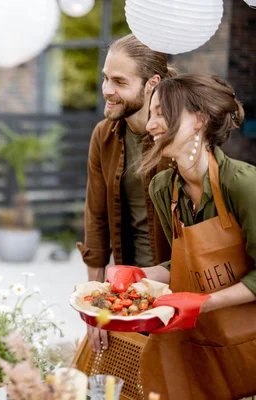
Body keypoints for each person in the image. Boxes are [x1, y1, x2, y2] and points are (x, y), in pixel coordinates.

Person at [112, 74, 256, 399]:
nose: (151, 124)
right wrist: (141, 274)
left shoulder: (243, 185)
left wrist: (206, 302)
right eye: (151, 113)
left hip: (246, 344)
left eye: (162, 112)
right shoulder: (163, 188)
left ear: (199, 119)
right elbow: (184, 263)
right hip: (195, 342)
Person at [78, 34, 174, 352]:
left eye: (119, 81)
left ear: (152, 84)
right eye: (106, 78)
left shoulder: (178, 139)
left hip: (175, 295)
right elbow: (96, 221)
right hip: (126, 297)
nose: (107, 90)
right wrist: (94, 310)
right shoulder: (103, 136)